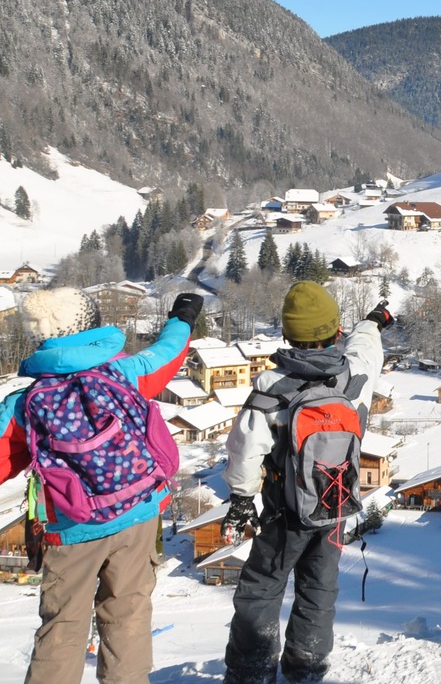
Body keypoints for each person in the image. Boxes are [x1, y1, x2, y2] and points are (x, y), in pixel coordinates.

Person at [1, 289, 197, 684]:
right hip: (138, 512)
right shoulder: (126, 372)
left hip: (72, 529)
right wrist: (183, 316)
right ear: (92, 325)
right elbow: (169, 351)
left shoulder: (25, 405)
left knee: (63, 626)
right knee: (127, 614)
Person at [221, 283, 387, 684]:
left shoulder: (272, 386)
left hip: (284, 512)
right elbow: (366, 342)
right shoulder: (356, 372)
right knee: (319, 589)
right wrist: (374, 321)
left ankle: (251, 671)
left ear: (287, 335)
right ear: (336, 331)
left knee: (261, 587)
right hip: (334, 506)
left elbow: (245, 449)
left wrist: (242, 499)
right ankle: (307, 667)